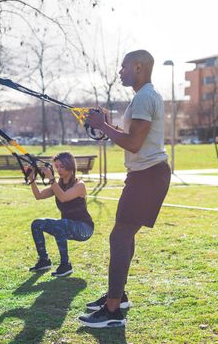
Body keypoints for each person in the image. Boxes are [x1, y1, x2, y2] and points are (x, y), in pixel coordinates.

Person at [78, 50, 171, 328]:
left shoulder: (144, 97)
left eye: (124, 66)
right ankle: (118, 296)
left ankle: (113, 311)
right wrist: (107, 123)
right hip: (144, 176)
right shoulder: (144, 96)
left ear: (139, 67)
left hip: (148, 177)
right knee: (123, 235)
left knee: (119, 238)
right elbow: (131, 136)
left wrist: (103, 125)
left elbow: (133, 144)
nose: (120, 71)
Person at [28, 151, 95, 277]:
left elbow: (63, 197)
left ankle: (65, 265)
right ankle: (44, 260)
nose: (58, 170)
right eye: (56, 166)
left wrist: (51, 179)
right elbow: (39, 196)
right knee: (36, 224)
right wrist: (32, 178)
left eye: (61, 166)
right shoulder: (58, 185)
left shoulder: (79, 185)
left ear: (70, 166)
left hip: (84, 228)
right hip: (65, 226)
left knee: (61, 224)